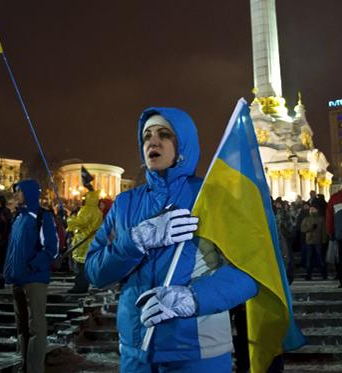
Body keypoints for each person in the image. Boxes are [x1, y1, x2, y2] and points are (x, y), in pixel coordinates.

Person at [85, 108, 258, 372]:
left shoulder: (212, 196)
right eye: (146, 136)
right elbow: (95, 270)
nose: (152, 142)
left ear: (184, 144)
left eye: (164, 135)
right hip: (137, 352)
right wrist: (135, 240)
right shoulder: (124, 204)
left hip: (198, 352)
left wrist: (193, 298)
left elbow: (251, 271)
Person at [3, 180, 58, 373]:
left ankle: (35, 368)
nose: (16, 195)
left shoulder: (42, 216)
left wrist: (32, 266)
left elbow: (51, 248)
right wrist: (9, 272)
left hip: (34, 279)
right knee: (21, 326)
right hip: (17, 279)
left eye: (19, 191)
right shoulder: (18, 218)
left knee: (36, 326)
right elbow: (12, 249)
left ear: (29, 193)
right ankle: (24, 364)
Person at [66, 190, 103, 293]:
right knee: (85, 266)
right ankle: (83, 285)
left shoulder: (87, 210)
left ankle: (80, 286)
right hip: (92, 241)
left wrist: (70, 219)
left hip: (83, 241)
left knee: (80, 266)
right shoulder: (97, 211)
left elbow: (80, 223)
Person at [300, 205, 328, 280]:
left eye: (313, 209)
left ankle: (324, 274)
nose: (311, 210)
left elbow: (324, 231)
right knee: (309, 258)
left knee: (320, 258)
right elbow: (303, 229)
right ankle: (309, 275)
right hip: (309, 241)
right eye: (311, 209)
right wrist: (311, 228)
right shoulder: (306, 219)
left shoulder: (321, 219)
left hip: (318, 241)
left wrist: (324, 240)